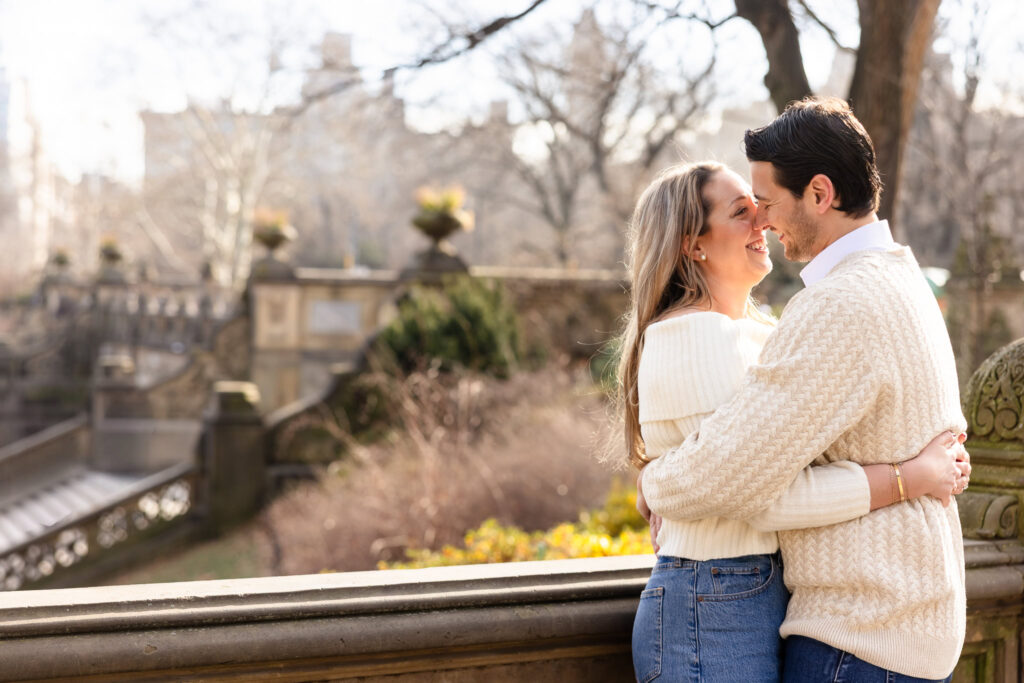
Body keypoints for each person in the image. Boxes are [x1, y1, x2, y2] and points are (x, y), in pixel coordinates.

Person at [636, 98, 968, 682]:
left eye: (764, 203)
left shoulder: (838, 304)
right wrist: (910, 477)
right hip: (894, 625)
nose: (763, 221)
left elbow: (724, 477)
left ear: (819, 193)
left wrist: (654, 479)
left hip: (862, 632)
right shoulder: (898, 277)